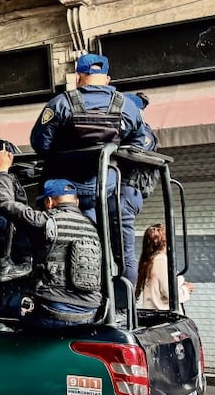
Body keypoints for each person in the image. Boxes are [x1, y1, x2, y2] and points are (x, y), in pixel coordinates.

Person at [30, 54, 152, 268]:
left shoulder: (60, 103)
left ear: (78, 77)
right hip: (106, 190)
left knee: (60, 249)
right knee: (108, 249)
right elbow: (142, 144)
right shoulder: (127, 107)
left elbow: (40, 143)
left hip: (66, 193)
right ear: (107, 79)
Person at [0, 149, 103, 327]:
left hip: (54, 312)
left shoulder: (44, 220)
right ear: (76, 202)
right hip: (90, 313)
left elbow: (4, 203)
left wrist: (3, 171)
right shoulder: (92, 226)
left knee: (4, 307)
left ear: (49, 202)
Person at [134, 223, 209, 395]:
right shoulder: (161, 261)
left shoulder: (148, 261)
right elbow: (170, 294)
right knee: (182, 372)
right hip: (168, 323)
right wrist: (185, 289)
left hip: (156, 323)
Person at [117, 92, 159, 285]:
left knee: (125, 256)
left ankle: (126, 305)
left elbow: (132, 152)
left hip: (126, 191)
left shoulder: (142, 132)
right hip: (122, 191)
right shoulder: (137, 129)